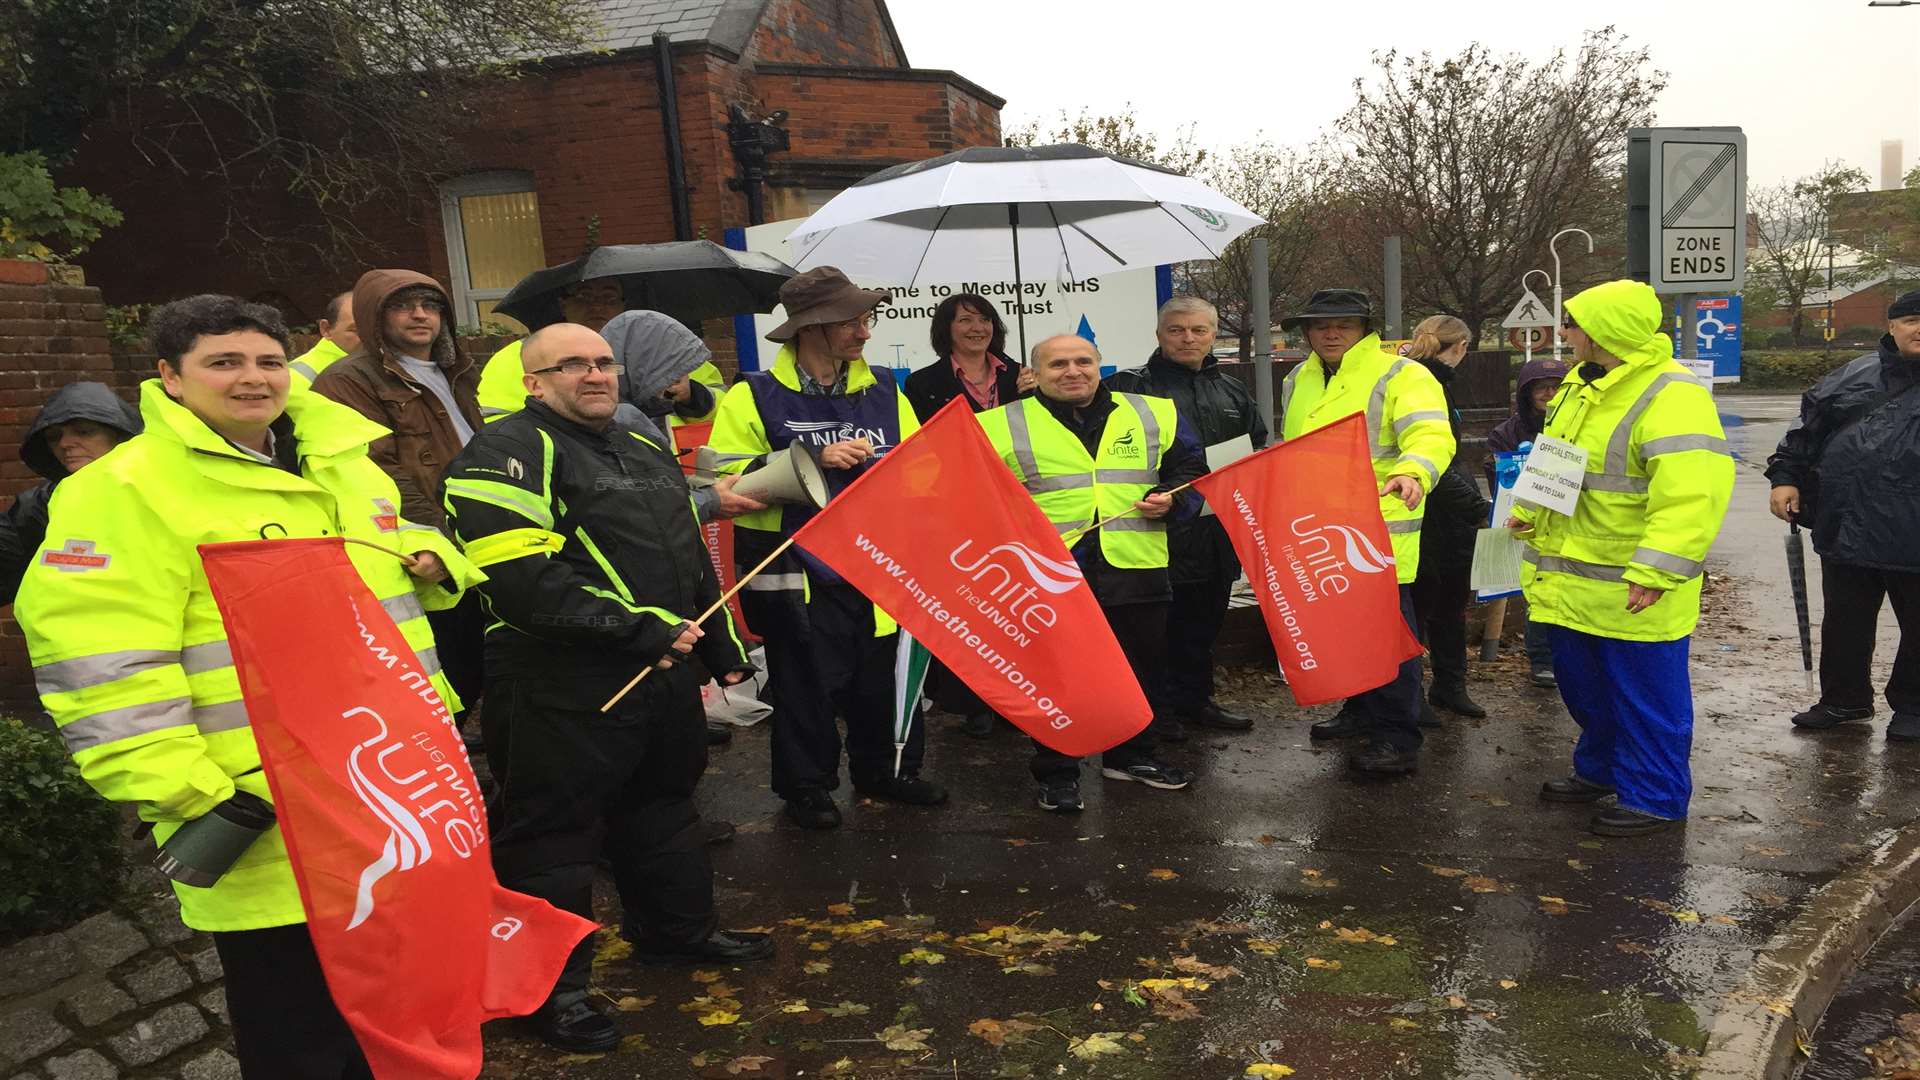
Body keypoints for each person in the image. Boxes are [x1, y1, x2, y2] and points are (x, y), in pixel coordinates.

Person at [17, 295, 478, 1079]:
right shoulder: (118, 490)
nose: (253, 379)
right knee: (297, 1032)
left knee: (396, 1010)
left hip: (386, 787)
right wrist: (196, 798)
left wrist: (439, 557)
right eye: (222, 362)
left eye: (267, 360)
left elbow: (387, 543)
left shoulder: (338, 458)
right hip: (265, 812)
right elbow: (99, 664)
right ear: (168, 376)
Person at [442, 322, 772, 1052]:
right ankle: (548, 995)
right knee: (555, 841)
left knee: (662, 810)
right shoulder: (502, 454)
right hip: (560, 681)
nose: (595, 376)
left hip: (660, 672)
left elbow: (686, 554)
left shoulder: (644, 444)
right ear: (534, 382)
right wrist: (641, 630)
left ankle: (678, 935)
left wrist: (719, 644)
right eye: (572, 366)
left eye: (603, 363)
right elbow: (519, 581)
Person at [706, 266, 948, 830]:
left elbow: (922, 469)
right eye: (851, 321)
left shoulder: (887, 387)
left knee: (883, 676)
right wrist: (809, 462)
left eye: (866, 319)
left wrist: (895, 468)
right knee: (805, 684)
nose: (865, 333)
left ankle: (888, 771)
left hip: (879, 564)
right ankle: (807, 788)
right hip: (794, 569)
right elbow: (723, 483)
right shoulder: (753, 394)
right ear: (809, 329)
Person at [1510, 279, 1733, 837]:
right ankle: (1602, 770)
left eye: (1575, 322)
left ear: (1605, 330)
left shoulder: (1671, 393)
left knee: (1646, 698)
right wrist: (1531, 513)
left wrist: (1657, 571)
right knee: (1587, 689)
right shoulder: (1582, 385)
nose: (1566, 332)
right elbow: (1557, 461)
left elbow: (1692, 493)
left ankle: (1655, 797)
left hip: (1633, 583)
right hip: (1573, 577)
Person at [978, 333, 1203, 811]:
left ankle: (1132, 756)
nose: (1073, 371)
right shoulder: (998, 424)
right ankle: (1058, 770)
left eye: (1083, 361)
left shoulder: (1151, 411)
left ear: (1100, 364)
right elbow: (973, 495)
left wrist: (1174, 498)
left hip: (1137, 564)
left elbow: (1193, 470)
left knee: (1140, 671)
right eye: (1058, 364)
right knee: (1057, 677)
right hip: (1051, 572)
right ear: (1034, 374)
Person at [1278, 289, 1456, 775]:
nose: (1331, 332)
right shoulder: (1298, 378)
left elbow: (1431, 434)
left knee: (1386, 642)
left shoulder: (1401, 373)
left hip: (1377, 531)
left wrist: (1415, 472)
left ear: (1365, 328)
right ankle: (1359, 712)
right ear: (1307, 332)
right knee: (1342, 635)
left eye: (1344, 324)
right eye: (1319, 325)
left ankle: (1397, 735)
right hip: (1319, 532)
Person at [312, 270, 487, 722]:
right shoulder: (348, 380)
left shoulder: (456, 369)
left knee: (478, 666)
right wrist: (436, 538)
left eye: (430, 305)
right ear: (374, 315)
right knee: (437, 674)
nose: (419, 315)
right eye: (402, 305)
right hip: (423, 546)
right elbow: (381, 472)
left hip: (476, 534)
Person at [1107, 296, 1268, 741]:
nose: (1188, 338)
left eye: (1199, 330)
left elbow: (1254, 443)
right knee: (1154, 630)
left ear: (1215, 334)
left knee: (1205, 621)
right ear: (1159, 335)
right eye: (1176, 330)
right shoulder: (1128, 386)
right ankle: (1153, 712)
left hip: (1216, 529)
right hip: (1155, 528)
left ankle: (1196, 701)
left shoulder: (1232, 390)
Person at [1767, 288, 1920, 739]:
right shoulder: (1849, 378)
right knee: (1845, 619)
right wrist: (1785, 479)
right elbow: (1804, 434)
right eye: (1912, 319)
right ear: (1891, 326)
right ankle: (1843, 700)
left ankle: (1914, 706)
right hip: (1848, 523)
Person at [901, 292, 1036, 738]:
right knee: (971, 606)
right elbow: (920, 449)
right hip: (957, 505)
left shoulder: (1023, 376)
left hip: (1019, 503)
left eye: (984, 319)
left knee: (1014, 605)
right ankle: (974, 700)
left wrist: (1037, 400)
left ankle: (1019, 697)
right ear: (947, 330)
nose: (977, 328)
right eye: (964, 321)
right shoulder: (923, 383)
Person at [475, 277, 724, 429]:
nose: (596, 305)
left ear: (623, 304)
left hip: (673, 473)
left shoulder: (668, 351)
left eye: (608, 297)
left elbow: (726, 411)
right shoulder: (518, 356)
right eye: (584, 296)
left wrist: (693, 395)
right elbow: (498, 425)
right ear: (563, 304)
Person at [1402, 315, 1493, 722]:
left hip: (1437, 515)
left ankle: (1445, 687)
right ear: (1460, 348)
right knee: (1425, 609)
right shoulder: (1425, 384)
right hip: (1427, 514)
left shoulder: (1426, 380)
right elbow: (1440, 461)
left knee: (1445, 606)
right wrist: (1479, 508)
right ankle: (1418, 694)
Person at [1, 382, 142, 604]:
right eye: (54, 437)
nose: (65, 443)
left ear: (119, 434)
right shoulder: (39, 507)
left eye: (83, 431)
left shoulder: (163, 491)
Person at [1484, 356, 1571, 687]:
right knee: (1538, 592)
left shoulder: (1582, 425)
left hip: (1572, 524)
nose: (1549, 394)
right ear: (1526, 392)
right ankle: (1542, 659)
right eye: (1541, 388)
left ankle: (1571, 658)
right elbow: (1498, 476)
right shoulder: (1507, 433)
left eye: (1556, 387)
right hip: (1526, 525)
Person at [288, 290, 358, 385]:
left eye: (375, 330)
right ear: (326, 329)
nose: (368, 337)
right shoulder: (294, 379)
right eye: (356, 331)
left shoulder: (379, 368)